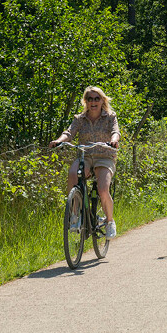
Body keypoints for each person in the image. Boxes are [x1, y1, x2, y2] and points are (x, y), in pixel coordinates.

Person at [49, 86, 120, 239]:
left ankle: (109, 221)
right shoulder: (79, 119)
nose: (93, 102)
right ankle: (75, 216)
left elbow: (115, 131)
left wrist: (114, 141)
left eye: (96, 98)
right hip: (85, 156)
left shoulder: (110, 117)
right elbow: (69, 133)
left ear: (102, 100)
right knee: (73, 173)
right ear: (85, 102)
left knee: (102, 189)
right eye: (89, 99)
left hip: (104, 156)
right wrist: (59, 141)